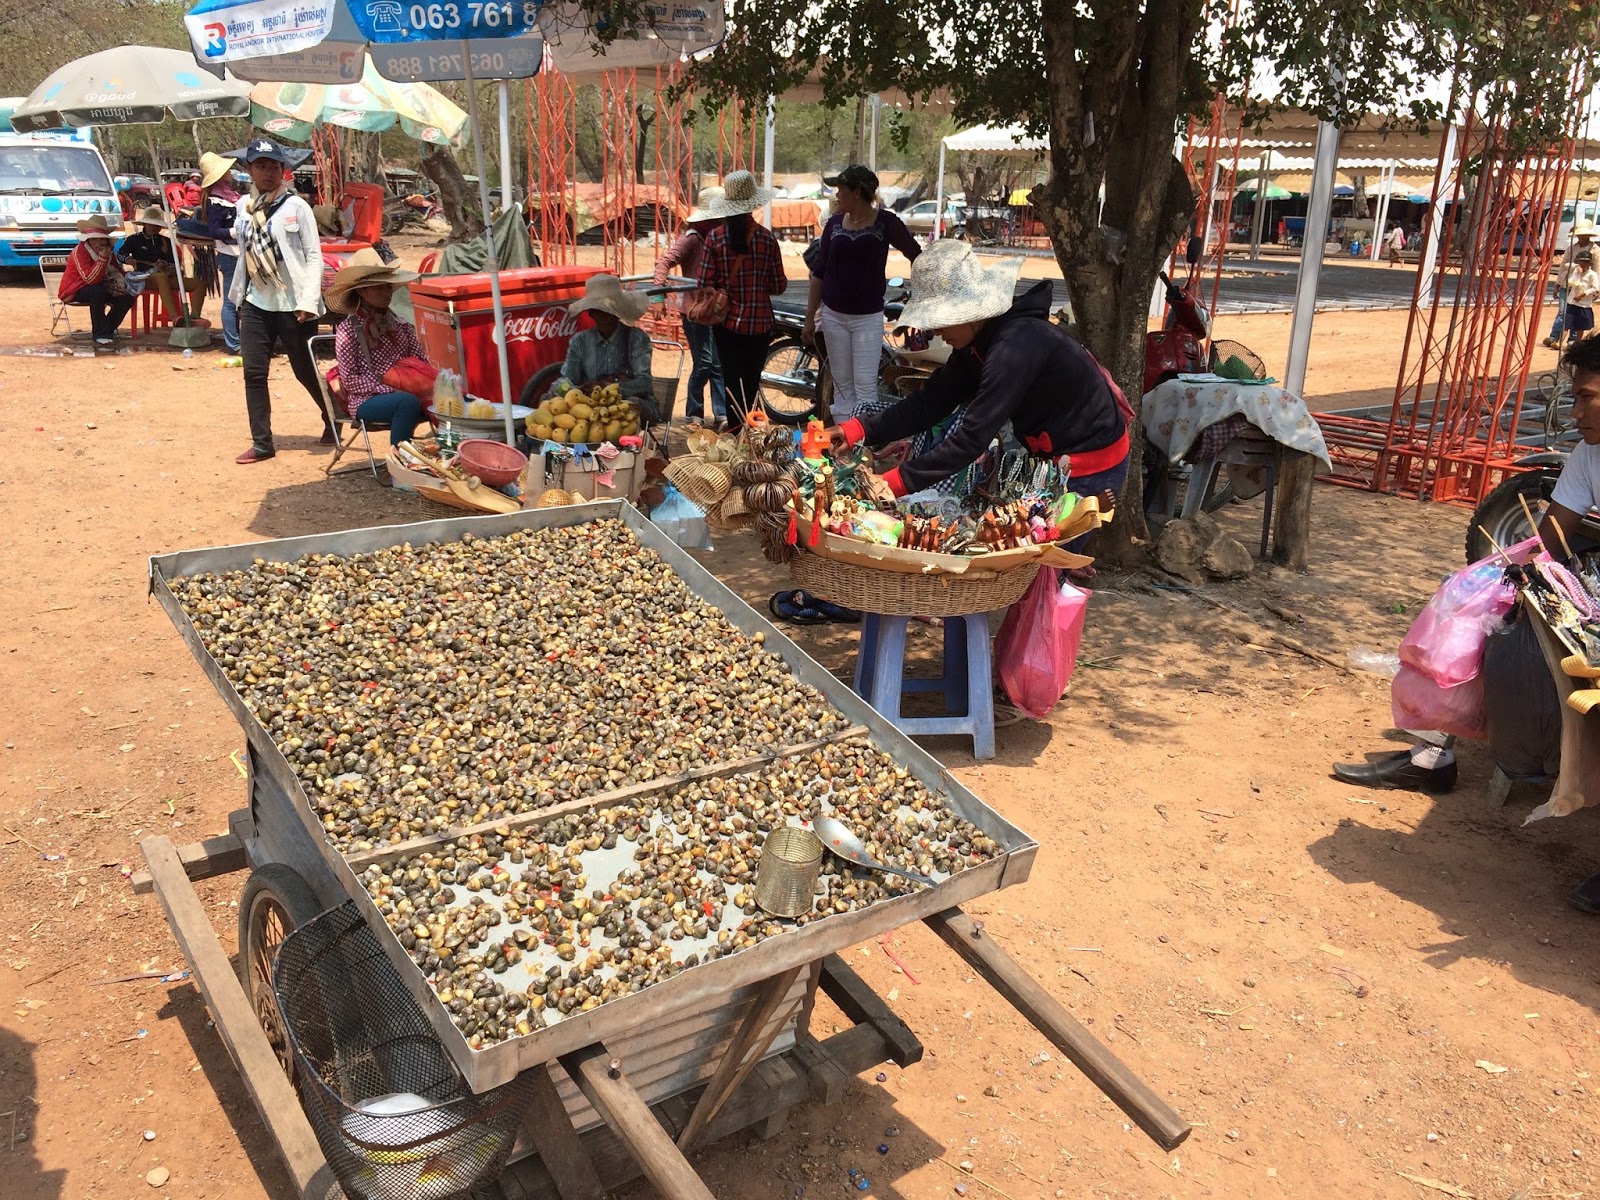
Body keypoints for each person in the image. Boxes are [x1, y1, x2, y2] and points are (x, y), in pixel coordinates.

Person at [824, 240, 1127, 502]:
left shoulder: (1015, 347)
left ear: (968, 312)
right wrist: (857, 430)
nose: (937, 332)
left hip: (1091, 464)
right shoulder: (977, 344)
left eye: (940, 321)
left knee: (1047, 551)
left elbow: (971, 438)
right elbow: (930, 402)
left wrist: (892, 483)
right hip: (1054, 458)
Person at [231, 137, 329, 465]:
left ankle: (332, 417)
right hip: (256, 300)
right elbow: (242, 249)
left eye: (273, 166)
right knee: (254, 373)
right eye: (260, 166)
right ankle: (262, 443)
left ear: (282, 169)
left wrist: (308, 300)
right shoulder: (244, 208)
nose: (268, 172)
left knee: (304, 370)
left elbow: (314, 256)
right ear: (249, 170)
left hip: (294, 304)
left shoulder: (297, 207)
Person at [802, 164, 921, 420]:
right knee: (842, 387)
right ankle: (845, 439)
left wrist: (923, 292)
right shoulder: (834, 224)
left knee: (865, 386)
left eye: (841, 189)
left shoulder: (886, 222)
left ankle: (862, 441)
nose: (837, 195)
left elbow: (916, 255)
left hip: (867, 318)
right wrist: (810, 317)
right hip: (833, 316)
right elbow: (819, 272)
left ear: (857, 192)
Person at [697, 170, 788, 430]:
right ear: (752, 203)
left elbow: (704, 283)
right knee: (751, 384)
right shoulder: (767, 239)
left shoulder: (714, 238)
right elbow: (779, 285)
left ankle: (736, 433)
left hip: (727, 326)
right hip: (760, 326)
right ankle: (752, 433)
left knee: (731, 383)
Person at [326, 249, 426, 448]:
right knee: (406, 403)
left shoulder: (401, 324)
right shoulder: (349, 330)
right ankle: (401, 457)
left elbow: (420, 361)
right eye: (378, 288)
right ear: (362, 291)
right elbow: (350, 380)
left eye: (387, 287)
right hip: (366, 399)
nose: (386, 293)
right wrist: (389, 389)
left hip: (405, 392)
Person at [652, 187, 727, 425]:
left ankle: (721, 412)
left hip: (717, 311)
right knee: (704, 363)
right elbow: (664, 262)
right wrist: (658, 297)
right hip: (694, 312)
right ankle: (694, 412)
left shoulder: (721, 238)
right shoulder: (693, 238)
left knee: (718, 364)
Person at [558, 274, 655, 410]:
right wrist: (564, 387)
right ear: (591, 313)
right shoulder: (580, 341)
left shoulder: (637, 339)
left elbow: (644, 382)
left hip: (634, 405)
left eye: (609, 312)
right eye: (599, 311)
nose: (605, 316)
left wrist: (609, 387)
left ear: (618, 312)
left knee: (632, 404)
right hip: (592, 405)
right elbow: (568, 377)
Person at [59, 214, 133, 346]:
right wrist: (102, 259)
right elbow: (90, 279)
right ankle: (100, 333)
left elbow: (116, 270)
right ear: (88, 240)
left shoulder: (109, 252)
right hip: (74, 289)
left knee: (127, 298)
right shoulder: (80, 252)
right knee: (98, 292)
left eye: (102, 239)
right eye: (94, 239)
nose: (98, 243)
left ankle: (107, 329)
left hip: (101, 286)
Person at [199, 151, 241, 354]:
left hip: (238, 253)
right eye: (227, 170)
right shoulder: (216, 201)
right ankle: (233, 344)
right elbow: (215, 230)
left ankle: (238, 341)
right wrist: (235, 231)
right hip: (229, 254)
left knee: (239, 301)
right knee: (231, 302)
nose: (231, 172)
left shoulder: (228, 197)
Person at [117, 206, 185, 320]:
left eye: (157, 225)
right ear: (144, 224)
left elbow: (174, 263)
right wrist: (128, 259)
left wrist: (165, 265)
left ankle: (194, 316)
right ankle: (174, 317)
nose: (154, 228)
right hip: (144, 277)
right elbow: (120, 254)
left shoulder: (166, 241)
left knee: (198, 284)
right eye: (151, 225)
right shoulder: (134, 239)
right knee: (161, 277)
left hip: (166, 276)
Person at [1545, 222, 1600, 348]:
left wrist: (1596, 291)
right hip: (1567, 284)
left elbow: (1597, 270)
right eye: (1579, 235)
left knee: (1577, 314)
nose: (1581, 237)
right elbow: (1563, 266)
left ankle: (1573, 340)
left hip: (1583, 287)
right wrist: (1557, 285)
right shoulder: (1571, 248)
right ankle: (1554, 337)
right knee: (1563, 312)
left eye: (1583, 235)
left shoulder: (1595, 250)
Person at [1563, 246, 1600, 348]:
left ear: (1589, 263)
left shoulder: (1592, 275)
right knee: (1566, 324)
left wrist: (1583, 295)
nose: (1583, 264)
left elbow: (1595, 288)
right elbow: (1566, 265)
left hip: (1584, 304)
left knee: (1580, 327)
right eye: (1581, 261)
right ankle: (1559, 342)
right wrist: (1576, 267)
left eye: (1585, 262)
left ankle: (1577, 344)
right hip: (1572, 302)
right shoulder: (1576, 270)